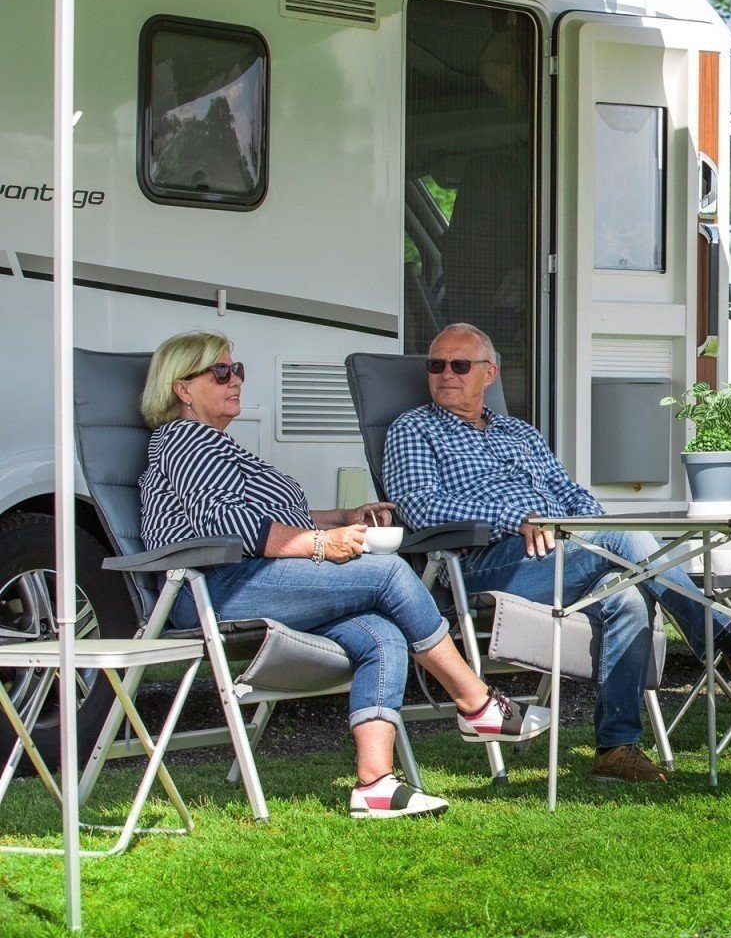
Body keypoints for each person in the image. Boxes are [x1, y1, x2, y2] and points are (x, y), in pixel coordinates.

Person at [384, 323, 731, 785]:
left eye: (460, 365)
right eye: (436, 364)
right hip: (484, 564)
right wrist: (521, 519)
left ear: (489, 373)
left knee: (628, 596)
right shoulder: (414, 429)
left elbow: (569, 492)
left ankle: (615, 748)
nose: (446, 374)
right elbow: (421, 505)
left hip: (566, 553)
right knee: (621, 539)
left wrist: (587, 526)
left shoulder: (519, 432)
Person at [138, 331, 547, 820]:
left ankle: (374, 784)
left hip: (257, 578)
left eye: (238, 369)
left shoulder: (217, 445)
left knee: (382, 633)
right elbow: (226, 525)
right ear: (182, 389)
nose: (236, 380)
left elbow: (266, 515)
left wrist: (339, 517)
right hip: (213, 586)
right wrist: (318, 545)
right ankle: (476, 702)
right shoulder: (186, 439)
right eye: (220, 372)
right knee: (388, 574)